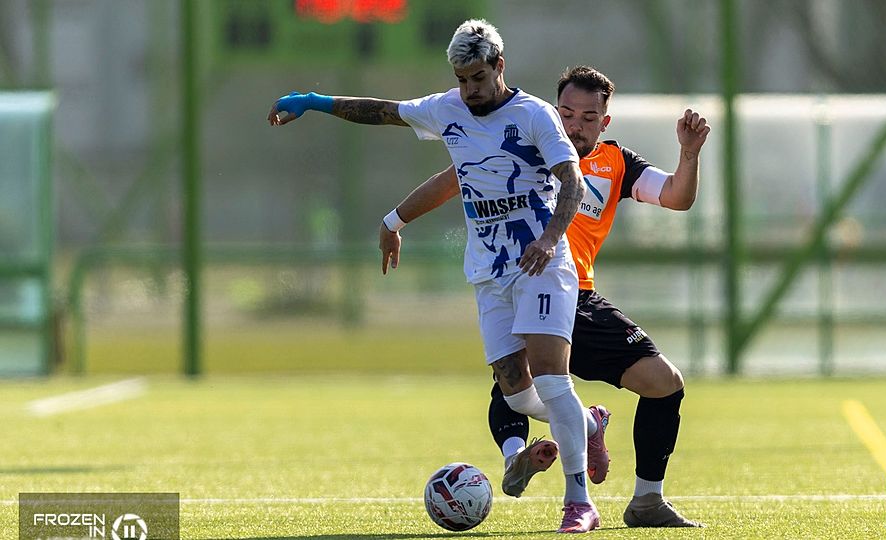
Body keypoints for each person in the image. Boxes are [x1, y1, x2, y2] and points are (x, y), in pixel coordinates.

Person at [268, 20, 603, 533]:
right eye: (461, 79)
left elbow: (573, 181)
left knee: (552, 377)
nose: (469, 89)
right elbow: (382, 111)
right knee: (516, 393)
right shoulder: (447, 109)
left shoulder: (535, 115)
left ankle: (579, 502)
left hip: (540, 263)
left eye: (478, 78)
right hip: (488, 271)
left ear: (499, 67)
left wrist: (549, 238)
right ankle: (588, 423)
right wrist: (313, 102)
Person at [378, 65, 709, 528]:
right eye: (567, 114)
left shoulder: (616, 163)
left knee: (664, 383)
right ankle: (537, 462)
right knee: (520, 382)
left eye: (588, 118)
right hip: (521, 283)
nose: (575, 126)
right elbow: (454, 178)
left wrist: (689, 154)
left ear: (604, 123)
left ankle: (645, 500)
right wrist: (395, 219)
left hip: (580, 297)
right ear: (555, 112)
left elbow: (676, 196)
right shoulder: (528, 142)